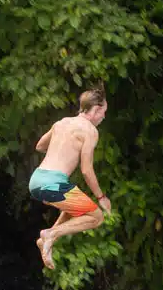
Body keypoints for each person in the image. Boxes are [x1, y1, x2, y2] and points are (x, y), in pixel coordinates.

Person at [29, 87, 112, 269]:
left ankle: (48, 238)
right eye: (103, 112)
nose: (103, 117)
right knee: (96, 217)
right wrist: (101, 197)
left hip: (36, 181)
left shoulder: (61, 123)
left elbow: (40, 146)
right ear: (96, 109)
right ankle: (50, 234)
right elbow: (86, 170)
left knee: (75, 207)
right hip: (52, 183)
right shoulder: (90, 131)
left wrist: (59, 149)